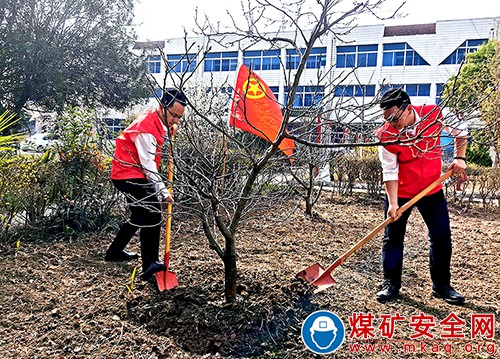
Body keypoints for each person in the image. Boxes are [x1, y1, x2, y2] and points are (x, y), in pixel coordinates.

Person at [375, 88, 468, 305]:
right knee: (393, 238)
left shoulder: (433, 114)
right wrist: (393, 203)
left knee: (441, 237)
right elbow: (389, 171)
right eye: (386, 119)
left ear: (408, 109)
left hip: (431, 189)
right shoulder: (385, 135)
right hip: (402, 192)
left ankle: (442, 287)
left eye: (394, 118)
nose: (391, 124)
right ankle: (391, 285)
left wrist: (459, 158)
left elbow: (461, 129)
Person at [105, 88, 188, 281]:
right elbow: (148, 166)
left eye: (179, 117)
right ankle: (149, 263)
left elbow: (162, 128)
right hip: (128, 174)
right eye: (173, 115)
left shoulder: (157, 117)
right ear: (162, 107)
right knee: (152, 211)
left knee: (140, 214)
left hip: (133, 172)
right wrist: (163, 192)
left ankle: (114, 252)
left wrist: (170, 127)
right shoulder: (146, 130)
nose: (175, 120)